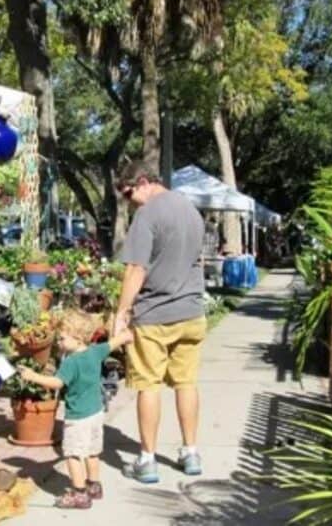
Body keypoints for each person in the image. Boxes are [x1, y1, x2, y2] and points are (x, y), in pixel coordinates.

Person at [112, 161, 207, 484]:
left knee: (148, 386)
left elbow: (135, 268)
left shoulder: (148, 214)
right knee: (186, 382)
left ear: (141, 182)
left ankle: (147, 459)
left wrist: (121, 312)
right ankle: (191, 451)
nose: (128, 202)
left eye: (128, 194)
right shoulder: (190, 209)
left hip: (154, 314)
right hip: (192, 311)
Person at [18, 310, 133, 509]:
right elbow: (114, 343)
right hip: (96, 413)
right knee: (92, 452)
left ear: (78, 338)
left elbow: (56, 383)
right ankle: (94, 486)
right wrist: (126, 335)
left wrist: (32, 376)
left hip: (78, 417)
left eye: (62, 338)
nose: (59, 343)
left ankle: (79, 493)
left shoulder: (71, 363)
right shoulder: (95, 351)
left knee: (73, 454)